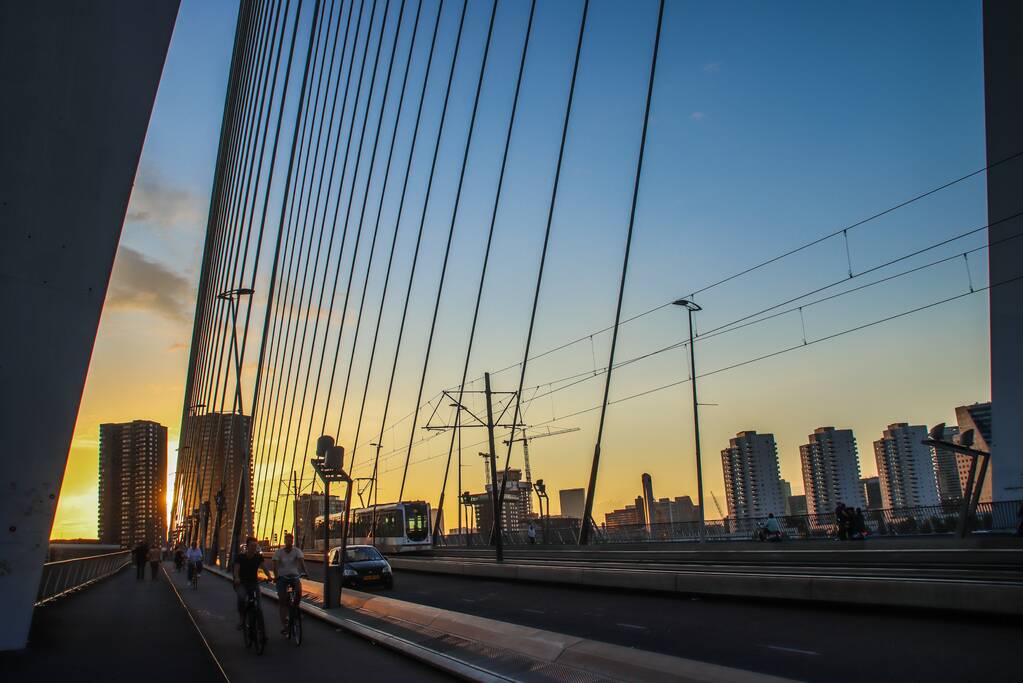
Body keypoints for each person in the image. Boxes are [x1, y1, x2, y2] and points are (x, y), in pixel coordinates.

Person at [272, 533, 307, 636]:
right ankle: (284, 625)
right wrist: (276, 576)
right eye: (287, 540)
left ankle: (295, 609)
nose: (289, 542)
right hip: (282, 577)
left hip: (294, 576)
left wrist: (306, 572)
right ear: (284, 541)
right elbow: (275, 565)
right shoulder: (279, 552)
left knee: (299, 592)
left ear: (292, 541)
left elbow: (301, 562)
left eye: (290, 541)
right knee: (282, 600)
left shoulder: (297, 551)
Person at [233, 536, 266, 631]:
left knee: (259, 606)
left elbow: (264, 568)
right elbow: (236, 570)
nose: (254, 547)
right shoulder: (240, 557)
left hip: (254, 583)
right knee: (242, 598)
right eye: (252, 545)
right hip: (242, 583)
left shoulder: (258, 557)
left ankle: (262, 632)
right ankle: (242, 619)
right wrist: (237, 578)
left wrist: (269, 577)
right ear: (247, 546)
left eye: (255, 545)